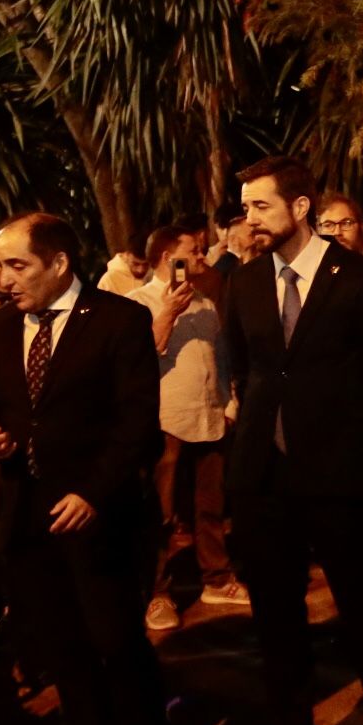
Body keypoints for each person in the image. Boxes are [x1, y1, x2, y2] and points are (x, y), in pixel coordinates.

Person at [0, 213, 180, 725]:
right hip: (27, 517)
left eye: (16, 265)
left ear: (58, 263)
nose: (2, 279)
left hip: (98, 518)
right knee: (64, 653)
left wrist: (92, 492)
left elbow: (136, 424)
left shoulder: (119, 320)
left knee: (119, 645)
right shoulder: (2, 328)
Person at [221, 156, 363, 725]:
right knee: (275, 616)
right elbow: (247, 371)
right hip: (265, 476)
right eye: (245, 206)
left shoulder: (361, 281)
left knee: (362, 605)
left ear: (300, 207)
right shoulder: (245, 283)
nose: (247, 217)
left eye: (259, 205)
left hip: (340, 475)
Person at [128, 224, 245, 630]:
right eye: (192, 253)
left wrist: (230, 403)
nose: (201, 258)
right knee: (160, 513)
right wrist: (168, 312)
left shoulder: (206, 303)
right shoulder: (135, 304)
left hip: (209, 417)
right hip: (166, 422)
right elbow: (140, 357)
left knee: (210, 507)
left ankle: (217, 577)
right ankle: (157, 592)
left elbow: (222, 356)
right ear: (166, 259)